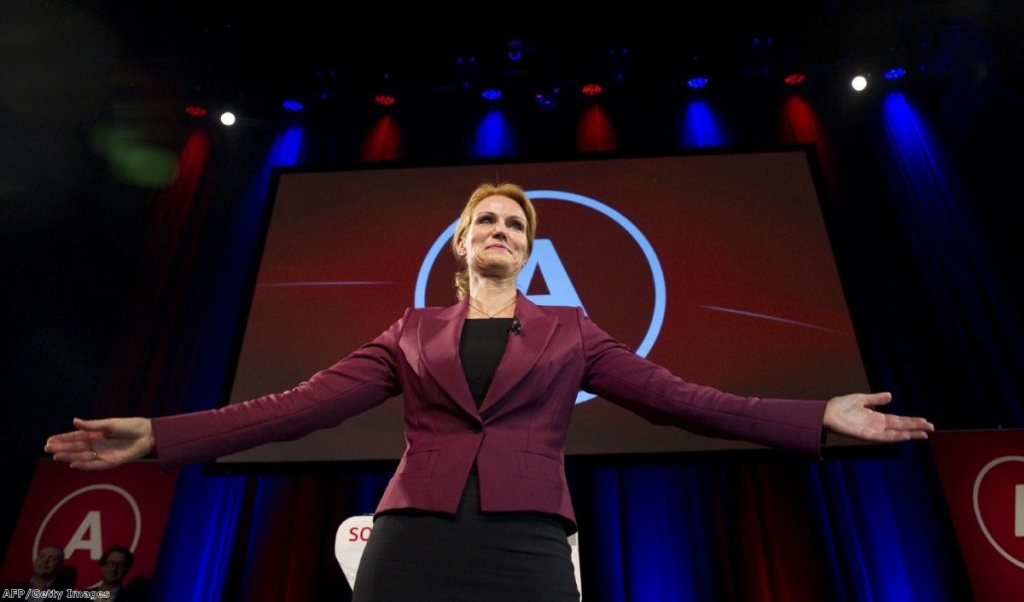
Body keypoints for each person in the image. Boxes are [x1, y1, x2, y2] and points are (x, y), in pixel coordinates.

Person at [46, 182, 934, 601]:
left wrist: (816, 413)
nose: (502, 231)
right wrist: (158, 435)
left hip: (528, 545)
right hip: (410, 540)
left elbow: (685, 399)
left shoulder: (571, 329)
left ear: (529, 247)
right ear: (463, 244)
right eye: (488, 222)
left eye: (516, 222)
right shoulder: (408, 330)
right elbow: (290, 408)